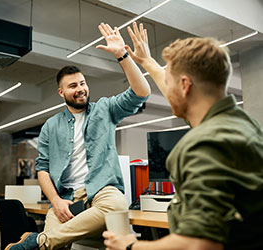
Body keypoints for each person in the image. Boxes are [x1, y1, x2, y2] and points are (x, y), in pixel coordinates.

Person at [102, 22, 263, 250]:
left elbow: (199, 243)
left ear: (185, 85)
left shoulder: (205, 144)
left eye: (169, 82)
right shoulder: (242, 124)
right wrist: (147, 62)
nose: (167, 90)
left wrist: (130, 246)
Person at [5, 23, 150, 250]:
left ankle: (35, 240)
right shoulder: (51, 126)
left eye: (82, 83)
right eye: (73, 86)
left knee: (116, 206)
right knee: (55, 244)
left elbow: (141, 92)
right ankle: (43, 241)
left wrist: (122, 55)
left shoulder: (105, 109)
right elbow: (42, 169)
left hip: (103, 190)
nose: (81, 89)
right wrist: (55, 201)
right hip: (67, 198)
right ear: (61, 93)